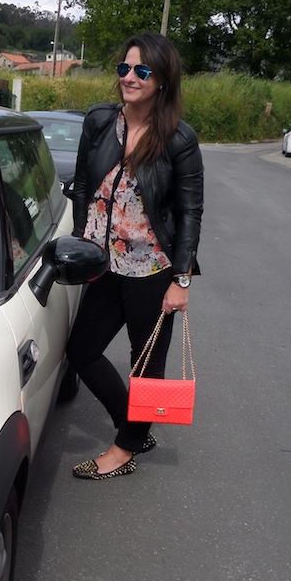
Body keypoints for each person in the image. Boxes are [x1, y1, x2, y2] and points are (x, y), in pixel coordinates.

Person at [66, 32, 203, 480]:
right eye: (124, 68)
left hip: (152, 271)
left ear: (162, 79)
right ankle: (135, 425)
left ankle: (124, 449)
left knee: (146, 368)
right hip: (103, 267)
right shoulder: (100, 121)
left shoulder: (179, 139)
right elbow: (83, 185)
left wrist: (181, 281)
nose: (129, 77)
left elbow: (189, 212)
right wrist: (82, 243)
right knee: (82, 351)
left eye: (141, 70)